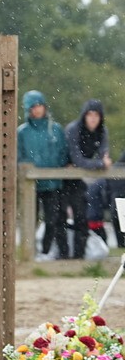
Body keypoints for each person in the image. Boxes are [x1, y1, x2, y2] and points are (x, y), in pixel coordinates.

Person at [17, 90, 70, 259]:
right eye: (34, 106)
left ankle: (46, 252)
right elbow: (19, 156)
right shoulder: (22, 132)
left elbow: (63, 153)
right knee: (29, 220)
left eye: (40, 105)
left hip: (53, 183)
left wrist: (56, 168)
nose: (38, 109)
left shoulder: (55, 129)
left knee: (52, 220)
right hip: (30, 185)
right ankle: (29, 255)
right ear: (28, 109)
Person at [63, 98, 112, 259]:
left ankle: (78, 258)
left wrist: (98, 163)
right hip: (60, 176)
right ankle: (60, 258)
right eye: (90, 114)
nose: (93, 118)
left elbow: (104, 156)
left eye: (96, 115)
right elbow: (77, 159)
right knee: (57, 219)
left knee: (81, 218)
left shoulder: (102, 132)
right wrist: (99, 163)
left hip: (78, 179)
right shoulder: (73, 129)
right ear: (84, 116)